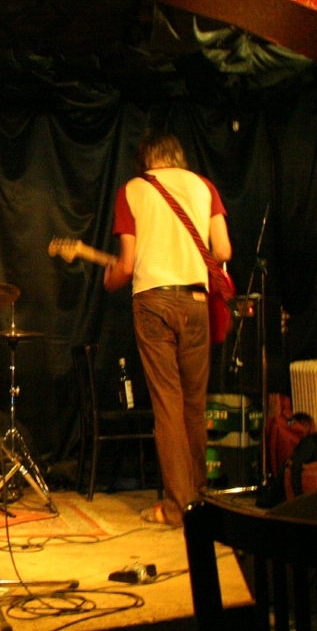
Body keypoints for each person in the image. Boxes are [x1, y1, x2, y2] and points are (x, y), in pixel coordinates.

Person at [103, 131, 231, 528]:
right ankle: (198, 497)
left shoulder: (131, 190)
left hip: (154, 302)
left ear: (145, 159)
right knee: (195, 404)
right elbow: (223, 251)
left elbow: (126, 266)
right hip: (195, 301)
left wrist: (110, 279)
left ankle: (177, 507)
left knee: (168, 405)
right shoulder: (204, 186)